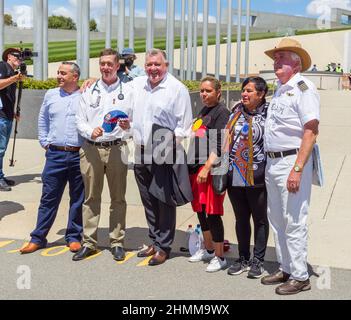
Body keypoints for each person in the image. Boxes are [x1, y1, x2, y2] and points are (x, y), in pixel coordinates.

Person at [120, 49, 193, 266]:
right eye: (149, 64)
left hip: (164, 151)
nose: (153, 69)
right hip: (141, 150)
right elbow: (116, 89)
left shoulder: (177, 89)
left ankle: (163, 246)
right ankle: (153, 240)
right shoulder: (137, 85)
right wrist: (128, 126)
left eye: (157, 65)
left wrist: (169, 143)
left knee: (163, 200)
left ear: (166, 65)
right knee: (148, 200)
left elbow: (184, 125)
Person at [262, 38, 320, 295]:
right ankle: (286, 267)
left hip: (291, 161)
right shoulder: (280, 88)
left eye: (282, 56)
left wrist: (297, 168)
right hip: (273, 161)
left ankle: (300, 276)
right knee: (276, 219)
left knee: (294, 219)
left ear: (295, 63)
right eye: (275, 57)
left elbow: (310, 130)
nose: (276, 61)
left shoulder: (303, 88)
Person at [73, 49, 133, 262]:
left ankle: (117, 241)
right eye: (102, 64)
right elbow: (79, 120)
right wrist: (90, 131)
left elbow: (134, 121)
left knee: (118, 198)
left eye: (109, 63)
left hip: (117, 148)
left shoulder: (129, 89)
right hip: (91, 149)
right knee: (91, 198)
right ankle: (89, 242)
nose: (105, 67)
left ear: (118, 66)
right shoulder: (89, 89)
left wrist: (128, 126)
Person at [20, 62, 84, 254]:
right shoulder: (51, 94)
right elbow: (43, 119)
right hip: (55, 154)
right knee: (49, 198)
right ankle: (38, 238)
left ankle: (73, 237)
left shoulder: (86, 95)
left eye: (63, 73)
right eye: (58, 73)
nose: (59, 76)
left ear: (75, 76)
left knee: (77, 199)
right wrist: (45, 142)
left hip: (78, 155)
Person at [226, 77, 269, 279]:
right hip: (235, 175)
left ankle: (258, 260)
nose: (244, 93)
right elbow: (225, 140)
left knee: (260, 219)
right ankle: (243, 257)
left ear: (261, 94)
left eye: (249, 91)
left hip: (258, 175)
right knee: (241, 218)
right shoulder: (236, 111)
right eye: (244, 90)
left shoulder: (270, 114)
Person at [187, 76, 230, 272]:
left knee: (213, 213)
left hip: (211, 170)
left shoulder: (222, 113)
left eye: (208, 91)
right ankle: (209, 249)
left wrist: (206, 167)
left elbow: (220, 144)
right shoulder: (204, 110)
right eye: (202, 91)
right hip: (196, 169)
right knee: (200, 212)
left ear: (218, 93)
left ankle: (220, 257)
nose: (203, 94)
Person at [0, 48, 25, 191]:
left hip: (7, 115)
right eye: (17, 56)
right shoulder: (2, 66)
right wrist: (14, 78)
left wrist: (14, 112)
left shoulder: (13, 72)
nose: (20, 59)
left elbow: (8, 96)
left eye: (21, 57)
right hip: (1, 115)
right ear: (9, 56)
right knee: (0, 149)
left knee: (2, 149)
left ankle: (1, 175)